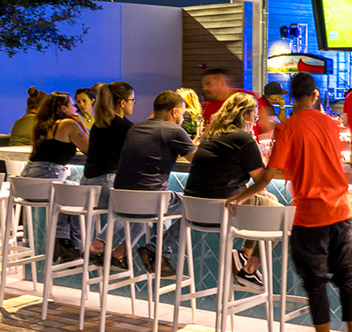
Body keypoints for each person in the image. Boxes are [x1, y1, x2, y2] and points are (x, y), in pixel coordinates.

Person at [263, 73, 352, 332]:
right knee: (346, 277)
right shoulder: (332, 124)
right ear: (315, 95)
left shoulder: (286, 127)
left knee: (315, 282)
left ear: (292, 96)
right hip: (341, 208)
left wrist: (242, 194)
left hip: (309, 213)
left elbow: (272, 171)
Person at [184, 92, 282, 291]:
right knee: (279, 214)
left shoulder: (211, 135)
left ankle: (244, 254)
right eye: (254, 116)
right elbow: (261, 180)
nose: (255, 121)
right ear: (245, 114)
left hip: (195, 209)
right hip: (223, 208)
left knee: (268, 198)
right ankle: (249, 269)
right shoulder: (243, 139)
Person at [113, 91, 198, 277]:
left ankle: (149, 252)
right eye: (183, 114)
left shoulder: (135, 128)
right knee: (195, 207)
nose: (183, 118)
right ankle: (157, 249)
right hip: (151, 203)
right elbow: (200, 162)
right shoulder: (173, 130)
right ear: (175, 112)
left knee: (166, 205)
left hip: (121, 202)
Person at [22, 92, 89, 262]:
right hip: (48, 178)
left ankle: (63, 242)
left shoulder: (42, 125)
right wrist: (81, 123)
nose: (76, 109)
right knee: (81, 194)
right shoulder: (68, 124)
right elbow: (90, 149)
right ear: (63, 108)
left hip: (27, 181)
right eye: (73, 105)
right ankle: (73, 245)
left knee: (69, 193)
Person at [83, 81, 135, 269]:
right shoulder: (125, 127)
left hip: (86, 186)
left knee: (133, 210)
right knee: (136, 212)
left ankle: (101, 246)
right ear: (122, 102)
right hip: (106, 183)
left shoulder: (98, 125)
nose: (133, 104)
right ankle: (101, 245)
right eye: (132, 100)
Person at [201, 68, 273, 137]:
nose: (205, 88)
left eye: (208, 84)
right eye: (203, 85)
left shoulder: (246, 98)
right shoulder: (207, 106)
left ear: (222, 83)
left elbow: (266, 127)